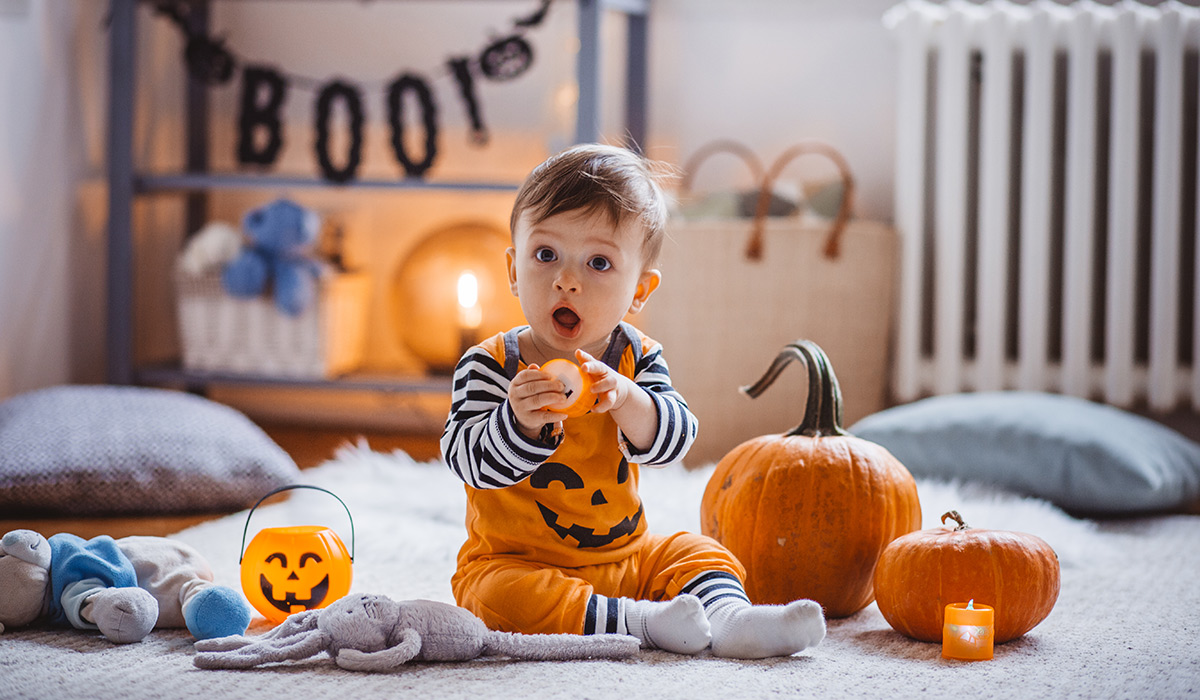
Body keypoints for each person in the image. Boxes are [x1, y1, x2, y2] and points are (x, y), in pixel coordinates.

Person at [440, 143, 825, 658]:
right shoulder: (490, 364)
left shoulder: (638, 358)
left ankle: (733, 622)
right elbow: (463, 458)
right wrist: (517, 423)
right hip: (518, 561)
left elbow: (675, 440)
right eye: (545, 254)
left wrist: (628, 401)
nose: (567, 279)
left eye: (598, 262)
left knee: (699, 551)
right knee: (497, 599)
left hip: (628, 555)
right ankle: (642, 623)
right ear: (513, 271)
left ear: (640, 290)